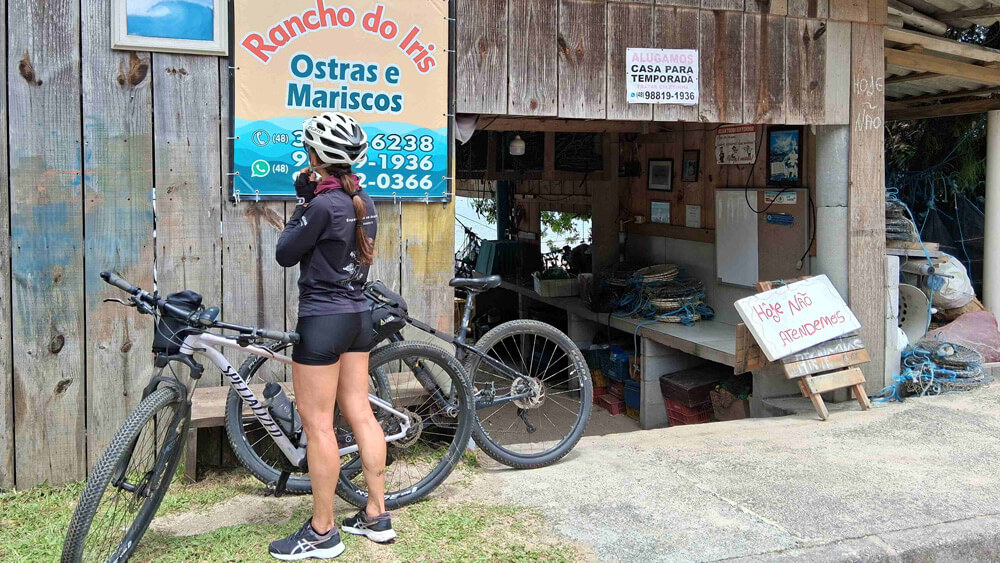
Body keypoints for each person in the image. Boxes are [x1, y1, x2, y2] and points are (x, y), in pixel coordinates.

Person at [268, 112, 395, 560]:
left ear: (316, 156)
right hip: (359, 317)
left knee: (319, 425)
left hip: (323, 321)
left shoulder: (321, 205)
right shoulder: (366, 201)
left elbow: (285, 253)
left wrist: (302, 203)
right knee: (360, 412)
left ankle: (323, 532)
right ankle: (376, 515)